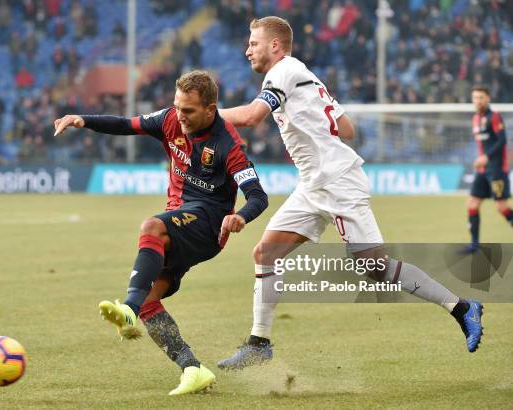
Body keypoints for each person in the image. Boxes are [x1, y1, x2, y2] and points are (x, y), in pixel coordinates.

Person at [216, 16, 484, 371]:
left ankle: (462, 307)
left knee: (374, 266)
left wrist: (207, 116)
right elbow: (347, 128)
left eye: (253, 42)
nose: (247, 49)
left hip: (338, 182)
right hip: (314, 184)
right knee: (266, 252)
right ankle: (259, 342)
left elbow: (252, 117)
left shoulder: (282, 72)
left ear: (275, 45)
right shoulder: (302, 75)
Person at [53, 70, 268, 394]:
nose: (180, 116)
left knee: (151, 227)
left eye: (189, 111)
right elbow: (127, 125)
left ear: (210, 110)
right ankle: (192, 368)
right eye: (177, 107)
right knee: (152, 300)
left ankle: (128, 308)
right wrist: (82, 119)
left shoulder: (227, 144)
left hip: (209, 225)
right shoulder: (169, 119)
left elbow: (258, 196)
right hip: (180, 217)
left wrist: (240, 217)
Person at [463, 85, 512, 253]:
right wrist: (481, 159)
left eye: (481, 97)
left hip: (497, 169)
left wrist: (486, 157)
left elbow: (502, 141)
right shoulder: (475, 118)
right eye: (475, 98)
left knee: (501, 207)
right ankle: (474, 245)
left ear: (488, 98)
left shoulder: (495, 116)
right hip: (483, 170)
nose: (478, 101)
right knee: (473, 203)